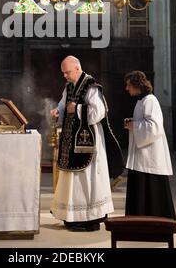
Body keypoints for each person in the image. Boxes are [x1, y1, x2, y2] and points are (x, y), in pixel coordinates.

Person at [50, 56, 124, 232]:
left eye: (67, 72)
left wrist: (76, 109)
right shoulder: (69, 87)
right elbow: (63, 105)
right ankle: (73, 217)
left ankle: (91, 219)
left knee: (87, 180)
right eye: (63, 73)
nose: (65, 76)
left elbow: (98, 112)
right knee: (72, 182)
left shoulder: (91, 86)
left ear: (77, 68)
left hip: (88, 142)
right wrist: (57, 111)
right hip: (70, 141)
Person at [124, 70, 176, 219]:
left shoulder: (150, 100)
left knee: (150, 190)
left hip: (150, 156)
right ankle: (138, 221)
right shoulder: (141, 101)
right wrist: (134, 124)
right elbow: (144, 123)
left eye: (128, 85)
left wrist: (134, 125)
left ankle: (157, 222)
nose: (127, 88)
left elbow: (154, 127)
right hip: (142, 155)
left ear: (136, 85)